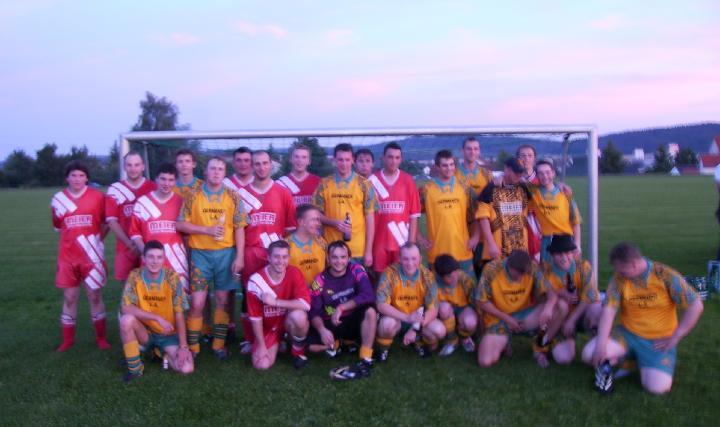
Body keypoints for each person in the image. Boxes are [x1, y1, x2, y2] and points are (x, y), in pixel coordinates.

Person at [582, 242, 704, 394]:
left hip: (658, 341)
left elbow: (696, 305)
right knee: (588, 354)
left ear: (634, 264)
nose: (618, 274)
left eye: (622, 271)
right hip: (627, 334)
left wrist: (676, 336)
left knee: (657, 388)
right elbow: (608, 312)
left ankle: (633, 361)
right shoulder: (619, 279)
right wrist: (600, 347)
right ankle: (627, 359)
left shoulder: (665, 275)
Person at [176, 157, 247, 360]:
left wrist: (240, 256)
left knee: (223, 300)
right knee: (197, 302)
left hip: (226, 254)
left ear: (224, 173)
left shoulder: (233, 196)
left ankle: (218, 345)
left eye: (220, 169)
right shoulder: (193, 195)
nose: (216, 172)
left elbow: (240, 227)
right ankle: (193, 347)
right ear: (205, 172)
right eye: (213, 168)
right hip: (200, 255)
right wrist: (206, 230)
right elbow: (180, 224)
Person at [236, 150, 297, 353]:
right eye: (257, 164)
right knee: (250, 294)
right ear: (251, 166)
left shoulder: (283, 193)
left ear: (271, 165)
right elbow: (239, 228)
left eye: (265, 163)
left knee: (277, 294)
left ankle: (278, 335)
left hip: (275, 254)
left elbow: (290, 228)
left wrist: (284, 254)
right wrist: (240, 257)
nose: (261, 167)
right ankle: (249, 338)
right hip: (251, 253)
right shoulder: (241, 194)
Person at [51, 160, 111, 352]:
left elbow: (107, 223)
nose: (77, 179)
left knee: (94, 295)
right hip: (68, 257)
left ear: (87, 178)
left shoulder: (98, 197)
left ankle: (101, 338)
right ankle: (67, 340)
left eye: (81, 175)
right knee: (70, 297)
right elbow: (59, 227)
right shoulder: (58, 199)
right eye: (73, 175)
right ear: (67, 178)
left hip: (92, 257)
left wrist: (96, 241)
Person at [119, 240, 193, 382]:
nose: (155, 261)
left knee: (186, 368)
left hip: (168, 334)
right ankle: (135, 369)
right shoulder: (135, 276)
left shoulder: (172, 277)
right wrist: (157, 318)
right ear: (143, 258)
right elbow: (125, 308)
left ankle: (160, 353)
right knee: (126, 320)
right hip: (145, 332)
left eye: (159, 257)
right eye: (151, 257)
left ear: (163, 259)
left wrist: (183, 346)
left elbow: (179, 313)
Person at [474, 250, 559, 368]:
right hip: (498, 320)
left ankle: (540, 348)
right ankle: (504, 342)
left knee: (557, 307)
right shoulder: (492, 269)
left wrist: (548, 308)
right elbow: (480, 301)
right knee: (485, 361)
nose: (521, 279)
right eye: (518, 274)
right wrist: (507, 319)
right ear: (509, 266)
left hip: (523, 317)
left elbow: (552, 294)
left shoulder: (531, 267)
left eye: (524, 274)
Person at [308, 241, 376, 366]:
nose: (339, 261)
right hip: (332, 324)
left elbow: (368, 295)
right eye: (334, 257)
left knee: (370, 311)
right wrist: (322, 330)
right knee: (310, 346)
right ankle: (337, 343)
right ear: (328, 259)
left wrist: (341, 308)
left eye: (343, 257)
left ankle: (365, 356)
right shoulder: (319, 281)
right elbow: (314, 312)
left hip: (353, 320)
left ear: (349, 258)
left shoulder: (356, 270)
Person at [246, 240, 311, 370]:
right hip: (268, 328)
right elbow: (255, 318)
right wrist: (261, 346)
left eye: (284, 257)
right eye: (276, 257)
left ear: (289, 258)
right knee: (262, 365)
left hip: (286, 321)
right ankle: (279, 342)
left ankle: (297, 352)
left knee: (299, 316)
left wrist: (275, 302)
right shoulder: (256, 281)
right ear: (269, 258)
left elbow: (306, 305)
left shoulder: (294, 273)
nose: (281, 261)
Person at [375, 243, 446, 360]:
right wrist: (407, 318)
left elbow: (433, 309)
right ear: (399, 258)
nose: (410, 263)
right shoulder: (389, 273)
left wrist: (415, 328)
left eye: (414, 258)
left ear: (420, 258)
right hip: (396, 318)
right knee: (386, 324)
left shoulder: (427, 276)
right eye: (406, 259)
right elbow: (381, 305)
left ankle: (418, 341)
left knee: (440, 330)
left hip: (418, 319)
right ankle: (383, 349)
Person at [539, 234, 601, 365]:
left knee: (597, 308)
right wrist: (561, 293)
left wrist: (572, 320)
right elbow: (544, 296)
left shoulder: (583, 266)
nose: (563, 257)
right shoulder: (546, 271)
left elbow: (590, 296)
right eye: (558, 254)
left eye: (567, 253)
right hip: (561, 319)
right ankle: (549, 342)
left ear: (573, 253)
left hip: (581, 314)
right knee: (564, 358)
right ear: (552, 255)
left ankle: (598, 347)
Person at [313, 143, 377, 267]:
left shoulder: (364, 184)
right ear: (334, 160)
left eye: (347, 160)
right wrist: (334, 223)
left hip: (356, 250)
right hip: (331, 249)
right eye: (340, 159)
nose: (344, 163)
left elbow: (370, 219)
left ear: (353, 160)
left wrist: (368, 251)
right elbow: (315, 215)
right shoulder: (324, 184)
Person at [418, 150, 479, 277]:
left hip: (462, 250)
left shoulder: (465, 188)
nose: (449, 168)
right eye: (445, 165)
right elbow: (411, 214)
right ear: (437, 167)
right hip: (437, 252)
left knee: (467, 287)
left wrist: (476, 237)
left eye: (451, 164)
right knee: (438, 288)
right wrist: (419, 238)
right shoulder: (426, 190)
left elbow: (479, 213)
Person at [129, 163, 188, 291]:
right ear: (156, 179)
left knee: (178, 298)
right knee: (152, 297)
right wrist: (146, 253)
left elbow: (187, 233)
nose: (166, 183)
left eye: (171, 180)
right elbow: (135, 233)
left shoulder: (181, 202)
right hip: (151, 261)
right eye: (163, 179)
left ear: (175, 181)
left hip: (177, 260)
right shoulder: (143, 203)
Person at [368, 142, 421, 277]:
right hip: (379, 243)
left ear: (401, 159)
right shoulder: (372, 181)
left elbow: (414, 216)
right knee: (380, 281)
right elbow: (367, 216)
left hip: (401, 242)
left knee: (402, 280)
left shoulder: (408, 181)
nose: (393, 161)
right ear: (383, 158)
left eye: (397, 157)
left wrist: (411, 245)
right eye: (390, 157)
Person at [105, 151, 156, 281]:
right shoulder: (115, 189)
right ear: (124, 167)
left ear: (143, 166)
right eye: (129, 165)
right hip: (125, 246)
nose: (133, 169)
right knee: (127, 287)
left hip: (149, 246)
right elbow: (111, 221)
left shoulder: (153, 188)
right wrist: (130, 245)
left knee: (150, 285)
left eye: (136, 165)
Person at [476, 157, 531, 263]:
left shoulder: (524, 188)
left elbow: (544, 191)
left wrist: (559, 186)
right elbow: (483, 218)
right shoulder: (491, 188)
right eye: (515, 172)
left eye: (521, 172)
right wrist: (491, 244)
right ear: (506, 169)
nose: (519, 175)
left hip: (520, 249)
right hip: (497, 250)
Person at [455, 137, 493, 278]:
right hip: (460, 233)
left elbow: (490, 205)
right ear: (462, 151)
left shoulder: (487, 175)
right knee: (462, 277)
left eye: (475, 149)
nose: (472, 152)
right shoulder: (454, 174)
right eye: (469, 148)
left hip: (482, 234)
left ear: (479, 151)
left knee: (482, 275)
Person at [530, 159, 582, 261]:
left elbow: (575, 221)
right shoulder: (533, 193)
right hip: (547, 240)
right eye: (541, 173)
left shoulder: (565, 193)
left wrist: (577, 244)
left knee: (566, 269)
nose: (545, 176)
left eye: (547, 172)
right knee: (547, 269)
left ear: (553, 173)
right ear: (537, 175)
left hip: (565, 239)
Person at [433, 254, 478, 356]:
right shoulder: (433, 280)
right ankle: (452, 339)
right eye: (449, 276)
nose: (454, 278)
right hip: (444, 311)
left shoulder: (464, 279)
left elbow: (476, 301)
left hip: (463, 308)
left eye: (456, 273)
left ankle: (464, 337)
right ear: (440, 276)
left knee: (470, 322)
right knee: (444, 308)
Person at [287, 204, 327, 286]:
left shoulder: (321, 242)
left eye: (318, 220)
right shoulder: (287, 245)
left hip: (321, 291)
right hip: (297, 292)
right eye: (314, 220)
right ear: (300, 222)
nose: (318, 223)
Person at [516, 144, 542, 260]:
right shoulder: (512, 181)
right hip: (517, 229)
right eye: (522, 156)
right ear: (518, 159)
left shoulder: (542, 181)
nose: (526, 159)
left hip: (538, 230)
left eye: (529, 156)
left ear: (534, 159)